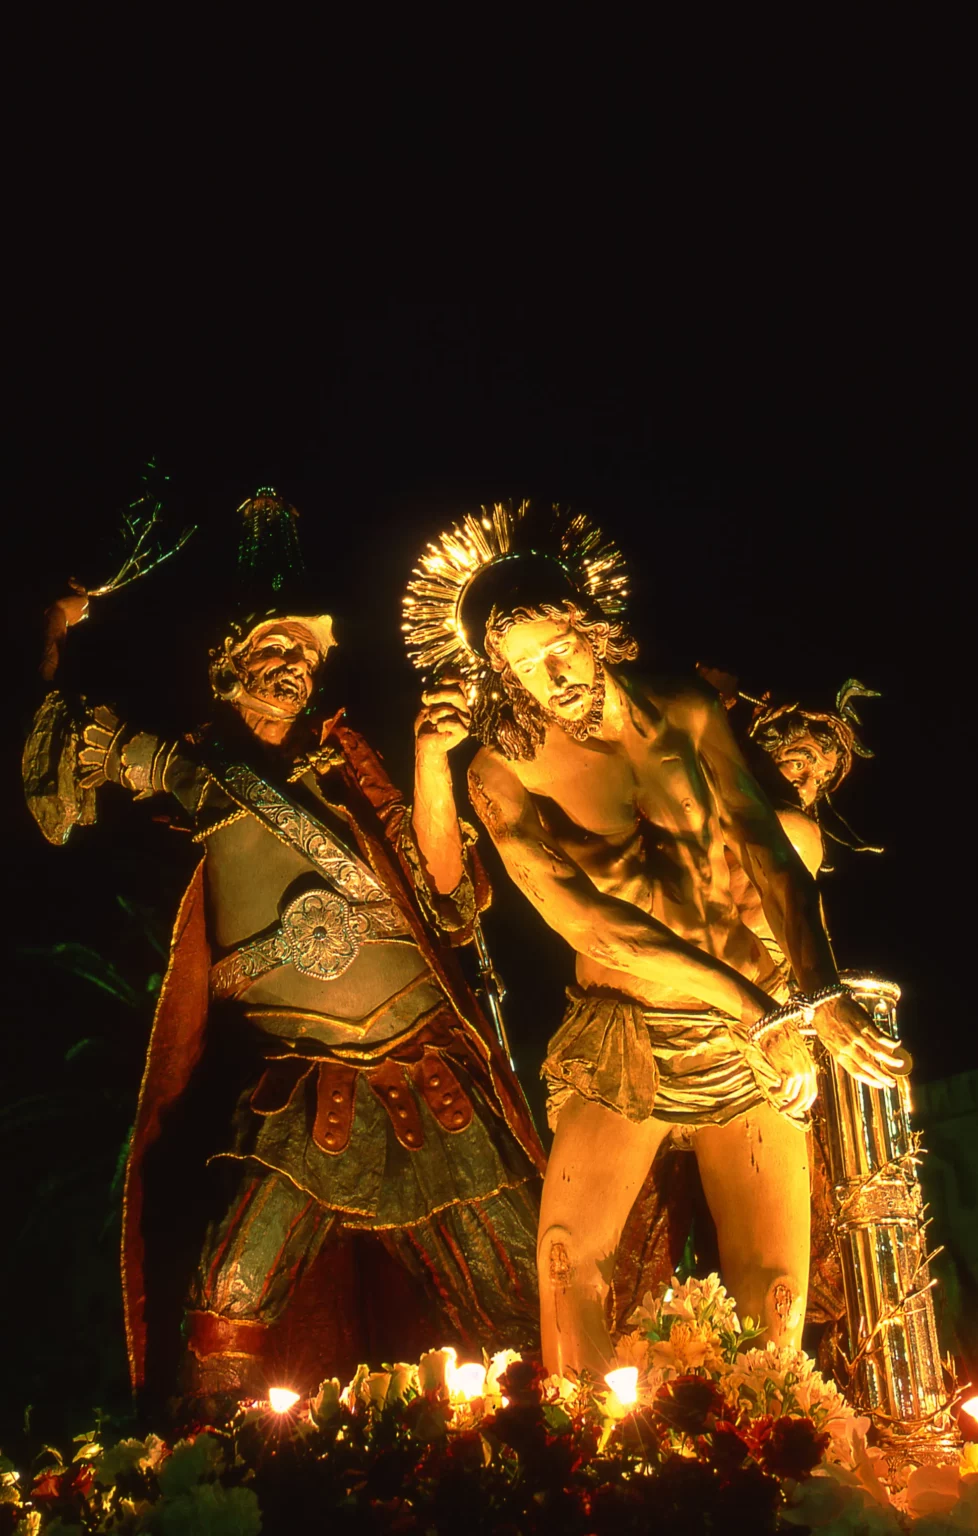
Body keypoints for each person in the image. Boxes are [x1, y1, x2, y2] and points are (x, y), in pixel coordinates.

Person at [24, 488, 544, 1410]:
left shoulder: (348, 769)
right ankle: (211, 1482)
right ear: (227, 665)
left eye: (304, 659)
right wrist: (50, 618)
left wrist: (430, 764)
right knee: (227, 1294)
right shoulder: (176, 772)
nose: (291, 671)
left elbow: (451, 910)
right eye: (273, 650)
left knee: (520, 1306)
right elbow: (47, 751)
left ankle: (553, 1471)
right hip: (305, 1098)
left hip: (437, 1081)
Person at [402, 502, 903, 1379]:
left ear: (594, 630)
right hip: (629, 1030)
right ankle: (585, 1468)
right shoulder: (501, 769)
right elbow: (592, 923)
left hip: (755, 1036)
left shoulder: (685, 707)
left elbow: (770, 850)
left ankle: (763, 1464)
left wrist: (814, 995)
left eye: (558, 649)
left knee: (776, 1291)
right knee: (565, 1256)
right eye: (520, 669)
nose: (548, 677)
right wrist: (759, 1007)